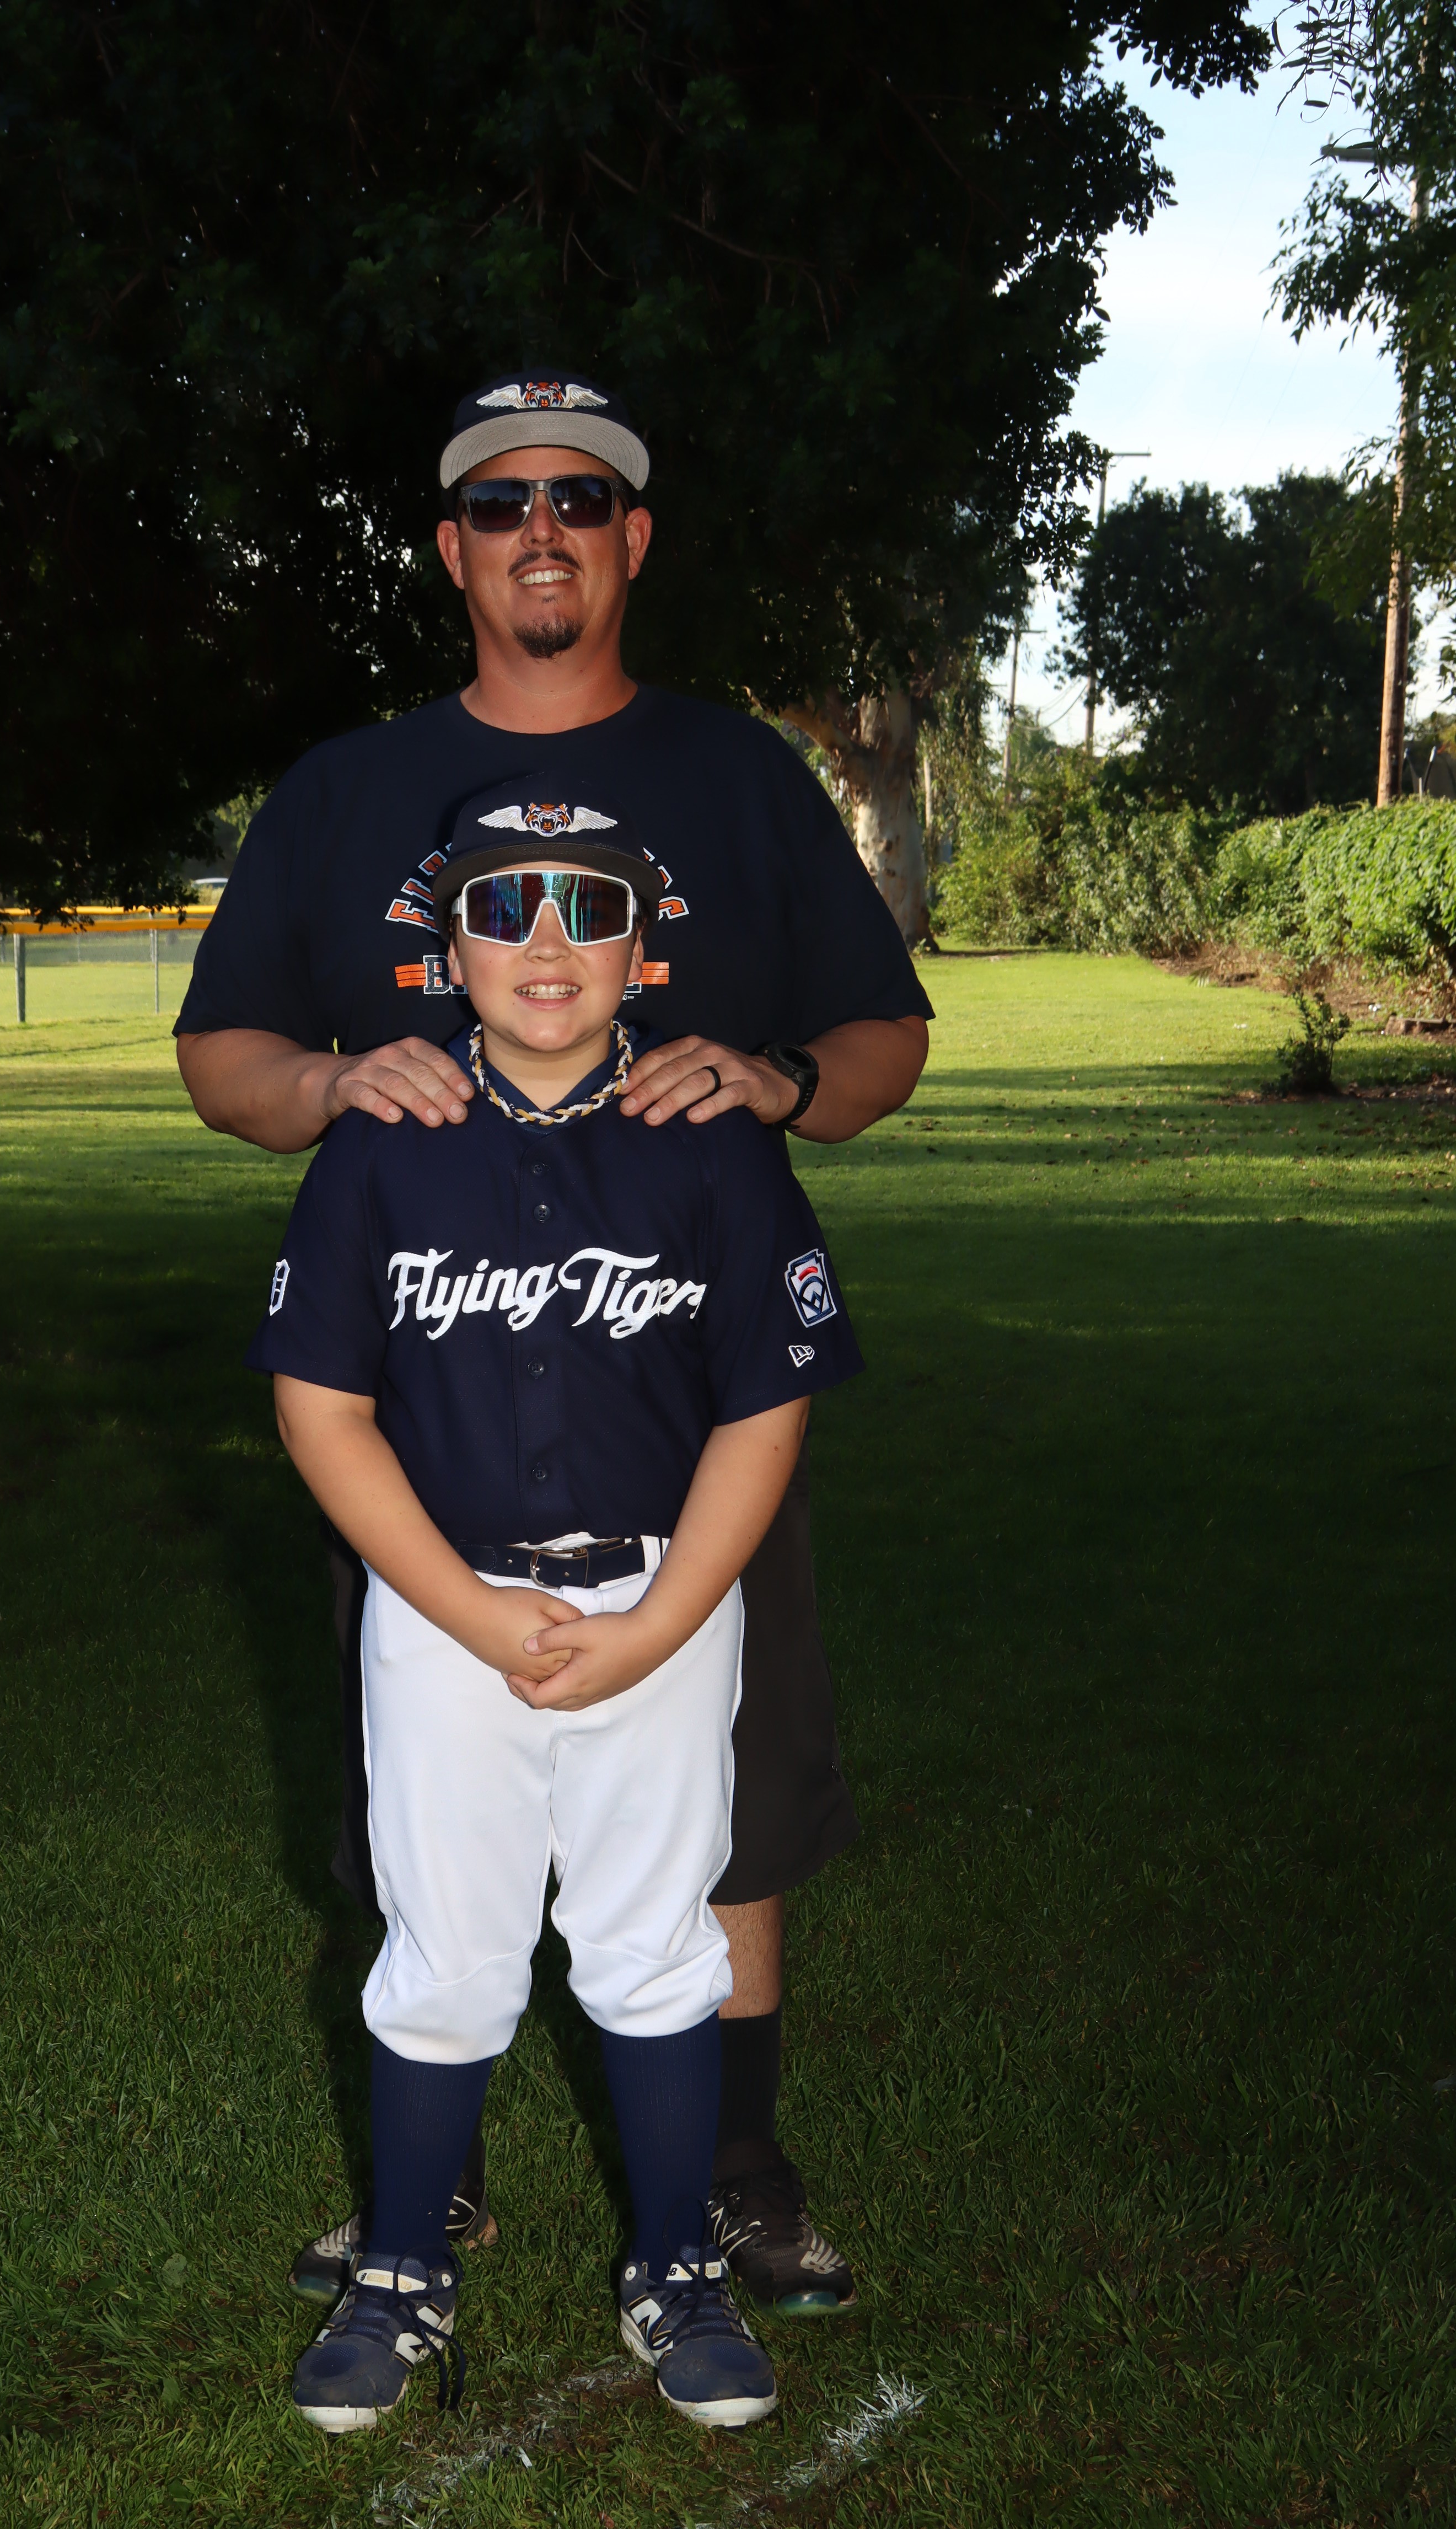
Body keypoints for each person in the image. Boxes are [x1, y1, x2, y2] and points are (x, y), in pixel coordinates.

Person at [176, 367, 931, 2312]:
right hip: (430, 1396)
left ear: (632, 539)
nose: (541, 529)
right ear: (453, 547)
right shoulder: (348, 790)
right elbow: (223, 1054)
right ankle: (439, 2188)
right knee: (432, 1806)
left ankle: (733, 2171)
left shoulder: (739, 776)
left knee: (726, 1789)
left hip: (691, 1393)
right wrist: (337, 1079)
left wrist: (778, 1077)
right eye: (503, 500)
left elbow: (884, 1038)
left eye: (579, 500)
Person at [251, 780, 865, 2432]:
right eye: (504, 906)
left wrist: (660, 1627)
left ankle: (677, 2266)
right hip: (440, 1605)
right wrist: (465, 1612)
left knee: (653, 1943)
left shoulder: (712, 1138)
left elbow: (767, 1408)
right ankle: (402, 2267)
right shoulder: (383, 1141)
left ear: (642, 948)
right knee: (448, 1947)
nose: (546, 941)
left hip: (660, 1598)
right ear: (446, 946)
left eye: (590, 908)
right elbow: (321, 1408)